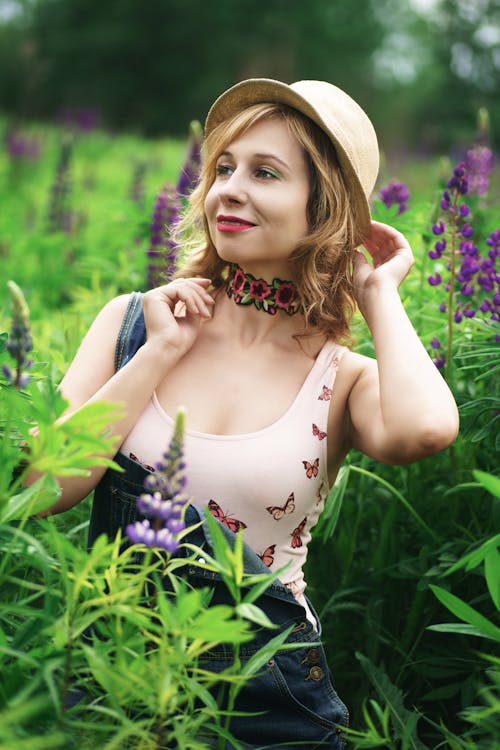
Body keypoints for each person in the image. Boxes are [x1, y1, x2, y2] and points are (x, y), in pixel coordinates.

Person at [37, 78, 459, 748]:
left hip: (270, 693)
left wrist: (377, 291)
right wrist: (156, 354)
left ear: (325, 209)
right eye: (223, 169)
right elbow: (37, 490)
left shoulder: (342, 379)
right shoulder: (132, 323)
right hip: (114, 671)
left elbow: (427, 430)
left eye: (265, 173)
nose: (228, 189)